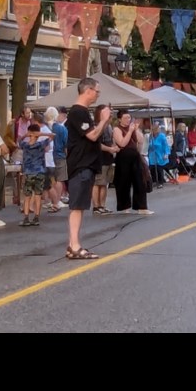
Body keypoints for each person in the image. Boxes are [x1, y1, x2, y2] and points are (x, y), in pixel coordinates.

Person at [64, 77, 112, 260]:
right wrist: (103, 120)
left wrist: (104, 122)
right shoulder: (78, 112)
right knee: (77, 206)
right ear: (88, 90)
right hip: (80, 165)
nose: (98, 95)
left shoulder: (83, 112)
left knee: (80, 206)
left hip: (87, 165)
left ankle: (72, 244)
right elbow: (92, 135)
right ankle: (75, 245)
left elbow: (94, 134)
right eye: (97, 91)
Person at [113, 109, 151, 215]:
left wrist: (136, 130)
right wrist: (129, 131)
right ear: (120, 119)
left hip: (134, 156)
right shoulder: (117, 129)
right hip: (123, 157)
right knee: (123, 182)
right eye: (125, 118)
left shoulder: (132, 128)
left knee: (140, 181)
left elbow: (141, 140)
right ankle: (124, 206)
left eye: (129, 117)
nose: (127, 120)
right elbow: (122, 143)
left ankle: (141, 207)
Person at [18, 123, 50, 227]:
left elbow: (19, 141)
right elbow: (53, 136)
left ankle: (26, 217)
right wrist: (40, 134)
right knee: (38, 195)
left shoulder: (25, 145)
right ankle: (36, 217)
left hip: (28, 172)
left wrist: (26, 135)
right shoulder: (41, 144)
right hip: (40, 171)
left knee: (27, 196)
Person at [92, 105, 118, 214]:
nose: (110, 114)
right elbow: (96, 144)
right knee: (98, 182)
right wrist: (110, 149)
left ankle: (102, 205)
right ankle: (96, 206)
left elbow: (110, 140)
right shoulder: (96, 126)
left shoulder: (109, 126)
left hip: (108, 158)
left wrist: (114, 147)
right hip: (99, 158)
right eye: (107, 112)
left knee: (105, 183)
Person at [46, 107, 69, 213]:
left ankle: (52, 200)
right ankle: (57, 200)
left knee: (52, 179)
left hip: (49, 156)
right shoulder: (61, 128)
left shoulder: (46, 128)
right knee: (60, 179)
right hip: (60, 155)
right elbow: (66, 144)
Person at [149, 123, 171, 188]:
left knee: (159, 168)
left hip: (160, 154)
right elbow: (149, 145)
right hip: (152, 155)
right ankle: (154, 181)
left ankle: (161, 182)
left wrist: (166, 154)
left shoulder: (162, 136)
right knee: (152, 168)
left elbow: (166, 145)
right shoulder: (151, 136)